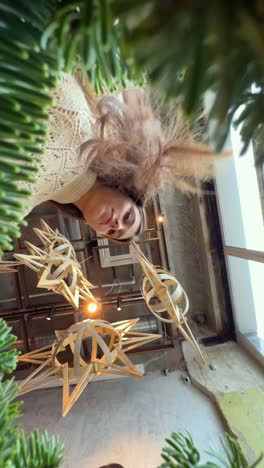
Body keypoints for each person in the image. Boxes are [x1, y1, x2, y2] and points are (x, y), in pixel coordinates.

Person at [20, 72, 214, 241]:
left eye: (113, 233)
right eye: (128, 216)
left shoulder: (20, 204)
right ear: (126, 192)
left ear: (96, 230)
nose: (117, 225)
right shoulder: (104, 127)